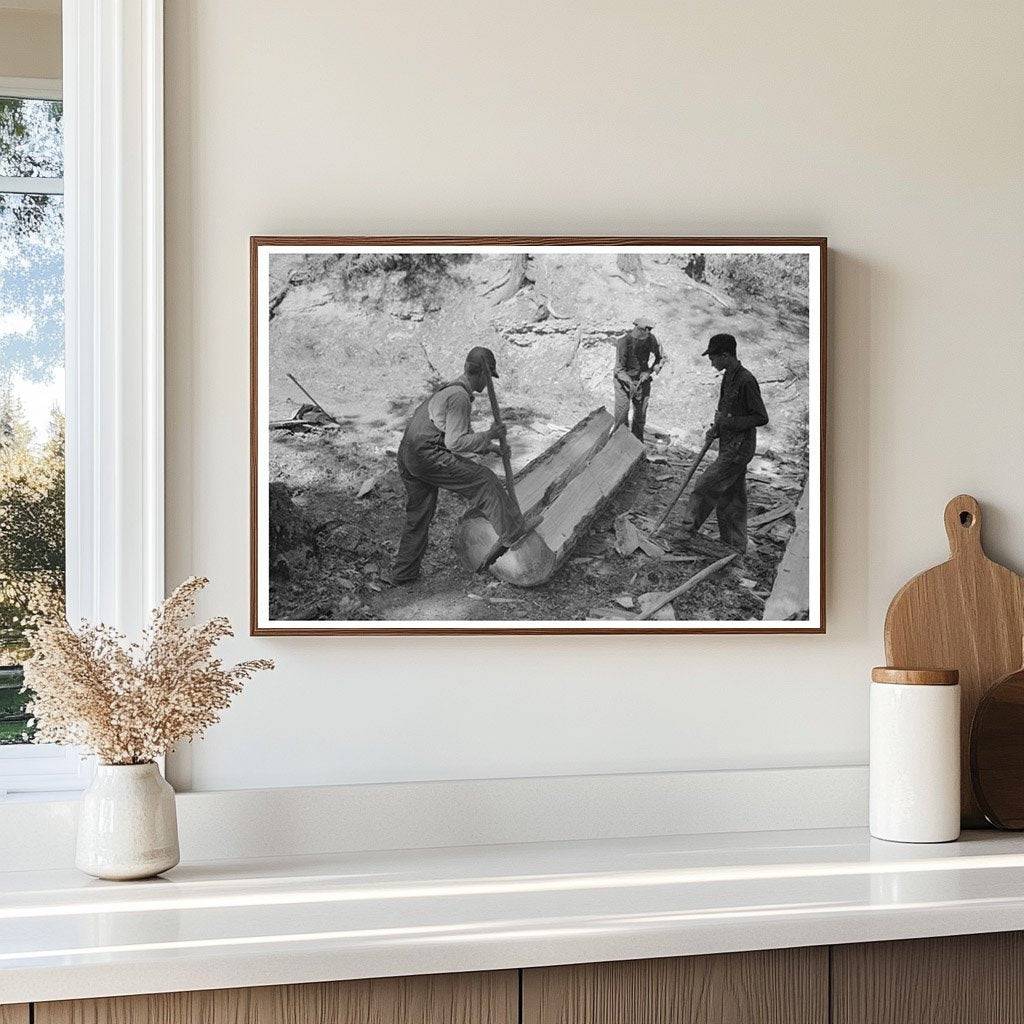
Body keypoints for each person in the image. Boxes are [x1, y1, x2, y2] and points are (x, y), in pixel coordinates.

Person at [389, 346, 541, 584]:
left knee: (419, 515)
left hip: (409, 455)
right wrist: (490, 434)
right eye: (489, 377)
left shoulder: (451, 390)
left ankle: (403, 573)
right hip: (427, 456)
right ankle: (512, 533)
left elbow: (459, 435)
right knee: (485, 480)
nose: (487, 382)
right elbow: (456, 443)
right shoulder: (459, 397)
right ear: (482, 374)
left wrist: (491, 448)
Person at [682, 333, 768, 553]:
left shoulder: (746, 380)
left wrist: (730, 422)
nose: (711, 362)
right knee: (732, 496)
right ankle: (734, 542)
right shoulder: (728, 377)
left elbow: (761, 417)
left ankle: (685, 530)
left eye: (713, 358)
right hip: (728, 446)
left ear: (726, 355)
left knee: (705, 485)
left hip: (739, 449)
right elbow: (723, 411)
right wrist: (716, 428)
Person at [613, 316, 666, 442]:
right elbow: (619, 369)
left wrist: (649, 371)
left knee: (640, 416)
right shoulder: (624, 342)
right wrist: (629, 382)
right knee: (622, 414)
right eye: (643, 331)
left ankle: (636, 445)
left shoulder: (651, 339)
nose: (646, 334)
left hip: (642, 380)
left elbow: (661, 357)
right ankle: (619, 444)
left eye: (648, 331)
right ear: (637, 329)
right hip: (623, 381)